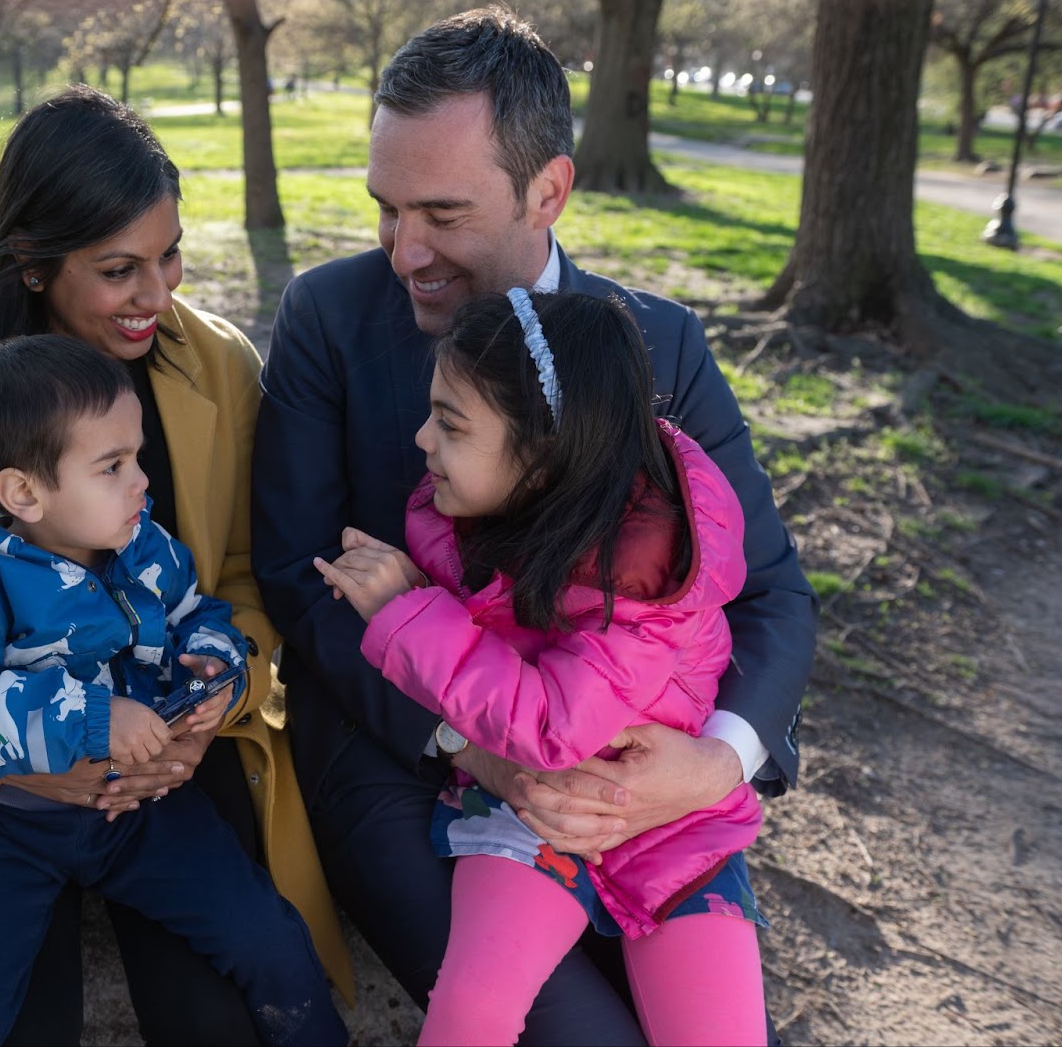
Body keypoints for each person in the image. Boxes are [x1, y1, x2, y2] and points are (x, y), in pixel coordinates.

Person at [251, 6, 816, 1044]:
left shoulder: (657, 344)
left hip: (643, 783)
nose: (401, 250)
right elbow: (294, 568)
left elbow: (770, 591)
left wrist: (716, 764)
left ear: (547, 190)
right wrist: (484, 749)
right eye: (385, 207)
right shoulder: (328, 315)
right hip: (403, 750)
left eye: (441, 214)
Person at [0, 84, 351, 1046]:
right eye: (120, 269)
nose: (158, 293)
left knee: (220, 1014)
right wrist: (19, 754)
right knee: (10, 1017)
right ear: (34, 263)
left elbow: (240, 576)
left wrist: (209, 713)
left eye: (170, 254)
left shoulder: (221, 365)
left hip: (168, 754)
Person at [316, 291, 767, 1046]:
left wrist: (407, 611)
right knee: (474, 1009)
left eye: (451, 424)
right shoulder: (474, 510)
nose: (423, 438)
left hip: (672, 826)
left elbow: (554, 726)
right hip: (530, 814)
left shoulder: (648, 573)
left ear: (545, 454)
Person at [0, 334, 347, 1047]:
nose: (141, 481)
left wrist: (213, 669)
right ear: (23, 492)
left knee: (266, 935)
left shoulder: (144, 547)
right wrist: (95, 716)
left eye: (135, 456)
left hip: (143, 808)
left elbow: (201, 612)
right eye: (112, 465)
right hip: (9, 823)